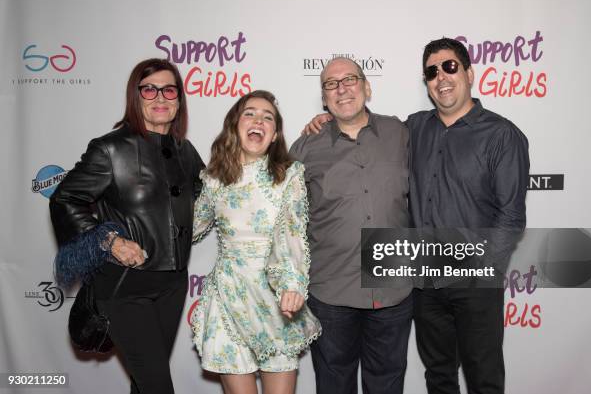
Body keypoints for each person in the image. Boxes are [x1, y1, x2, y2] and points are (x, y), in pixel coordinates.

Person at [303, 39, 529, 394]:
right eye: (432, 72)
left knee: (484, 378)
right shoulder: (413, 128)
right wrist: (326, 120)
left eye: (450, 67)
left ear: (469, 73)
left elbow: (511, 217)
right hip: (423, 284)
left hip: (474, 283)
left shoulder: (501, 134)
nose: (441, 77)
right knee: (438, 376)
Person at [50, 58, 203, 394]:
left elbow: (211, 197)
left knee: (145, 382)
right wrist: (109, 240)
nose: (160, 97)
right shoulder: (110, 148)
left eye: (169, 89)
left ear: (179, 100)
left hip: (173, 285)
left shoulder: (185, 151)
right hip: (125, 287)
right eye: (149, 89)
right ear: (136, 96)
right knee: (158, 386)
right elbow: (64, 199)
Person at [290, 57, 414, 394]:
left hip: (392, 291)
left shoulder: (401, 133)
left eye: (350, 80)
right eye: (331, 84)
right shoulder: (303, 149)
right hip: (331, 295)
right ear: (324, 98)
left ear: (367, 87)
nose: (342, 88)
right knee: (333, 386)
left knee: (387, 385)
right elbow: (288, 222)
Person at [191, 90, 321, 394]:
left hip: (275, 302)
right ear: (235, 124)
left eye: (268, 117)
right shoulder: (213, 180)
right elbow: (189, 229)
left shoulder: (289, 175)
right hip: (226, 299)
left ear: (274, 135)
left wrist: (292, 284)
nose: (258, 120)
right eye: (250, 113)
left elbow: (292, 231)